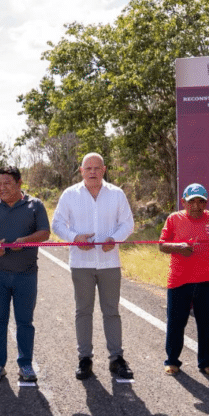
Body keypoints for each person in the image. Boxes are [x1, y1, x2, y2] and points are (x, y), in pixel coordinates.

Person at [52, 153, 135, 380]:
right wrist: (74, 237)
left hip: (110, 263)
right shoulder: (70, 195)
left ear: (104, 169)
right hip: (81, 263)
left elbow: (127, 223)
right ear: (81, 171)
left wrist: (115, 239)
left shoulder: (116, 194)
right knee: (83, 311)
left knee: (111, 311)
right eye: (88, 168)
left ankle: (116, 359)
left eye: (96, 168)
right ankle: (84, 359)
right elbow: (57, 224)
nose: (92, 172)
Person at [0, 166, 50, 383]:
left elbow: (45, 232)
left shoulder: (35, 205)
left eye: (7, 183)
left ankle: (25, 365)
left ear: (19, 184)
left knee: (25, 321)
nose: (1, 188)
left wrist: (24, 241)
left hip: (26, 274)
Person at [159, 183, 209, 377]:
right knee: (176, 323)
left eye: (201, 201)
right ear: (183, 202)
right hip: (179, 281)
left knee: (207, 324)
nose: (197, 206)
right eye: (192, 201)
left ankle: (206, 362)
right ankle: (172, 361)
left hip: (207, 281)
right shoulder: (174, 219)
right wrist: (178, 247)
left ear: (206, 203)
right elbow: (162, 245)